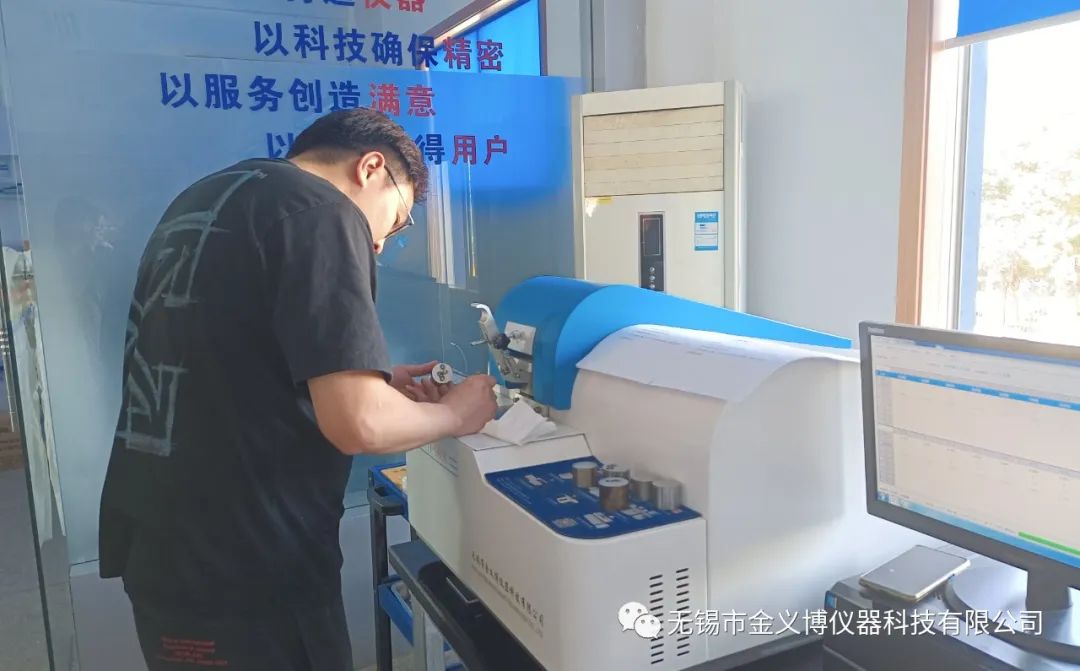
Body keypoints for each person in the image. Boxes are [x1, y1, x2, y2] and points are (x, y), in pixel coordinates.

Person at [98, 108, 498, 671]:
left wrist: (374, 379)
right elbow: (361, 424)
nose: (380, 244)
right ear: (371, 168)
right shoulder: (323, 211)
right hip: (252, 570)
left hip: (166, 553)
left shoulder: (208, 197)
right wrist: (460, 413)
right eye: (397, 220)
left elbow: (227, 360)